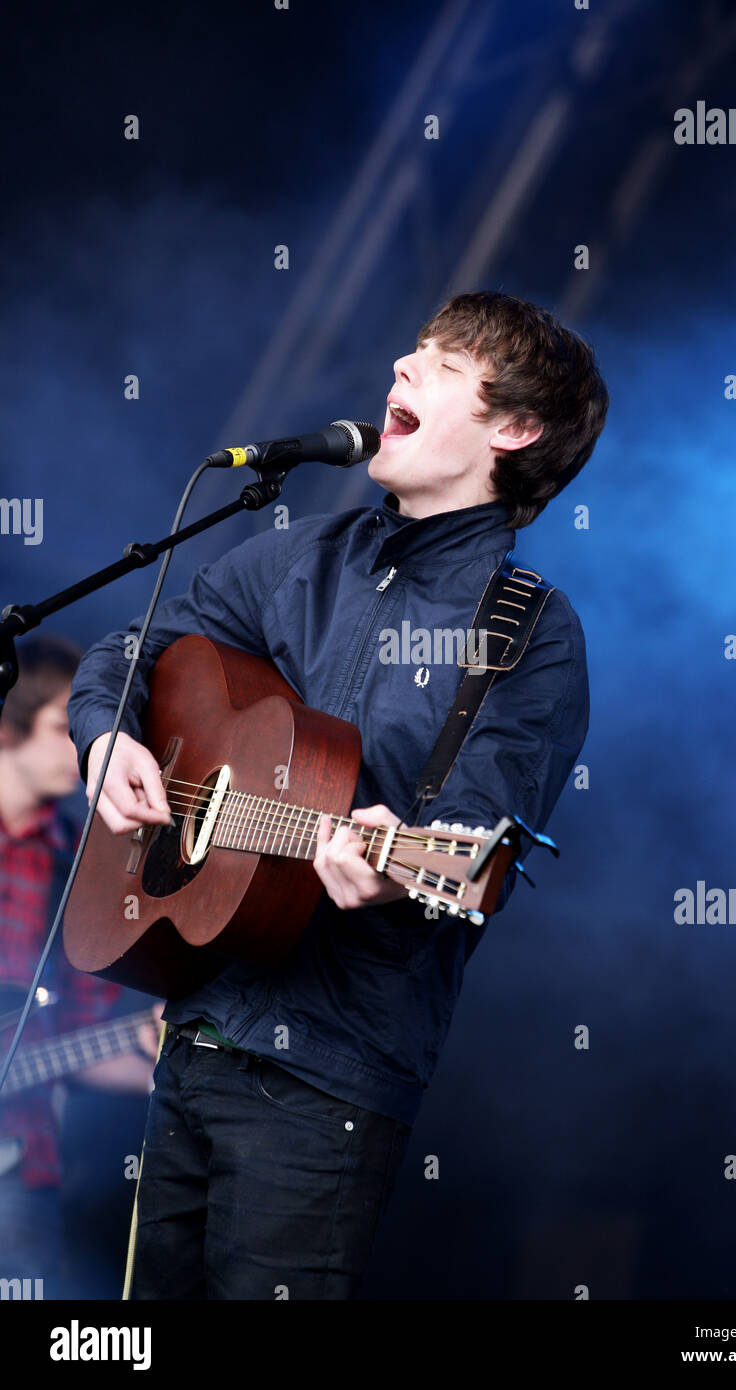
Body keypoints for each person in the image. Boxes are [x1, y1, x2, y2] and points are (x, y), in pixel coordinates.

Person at [66, 289, 609, 1300]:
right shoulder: (296, 553)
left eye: (442, 367)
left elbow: (480, 827)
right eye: (411, 353)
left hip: (329, 1076)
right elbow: (136, 648)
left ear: (516, 428)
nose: (401, 368)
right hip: (192, 1030)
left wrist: (411, 857)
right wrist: (104, 740)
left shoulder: (529, 632)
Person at [0, 634, 161, 1299]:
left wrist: (165, 1058)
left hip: (18, 1172)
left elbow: (78, 1043)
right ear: (11, 724)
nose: (86, 744)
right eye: (66, 726)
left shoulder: (79, 866)